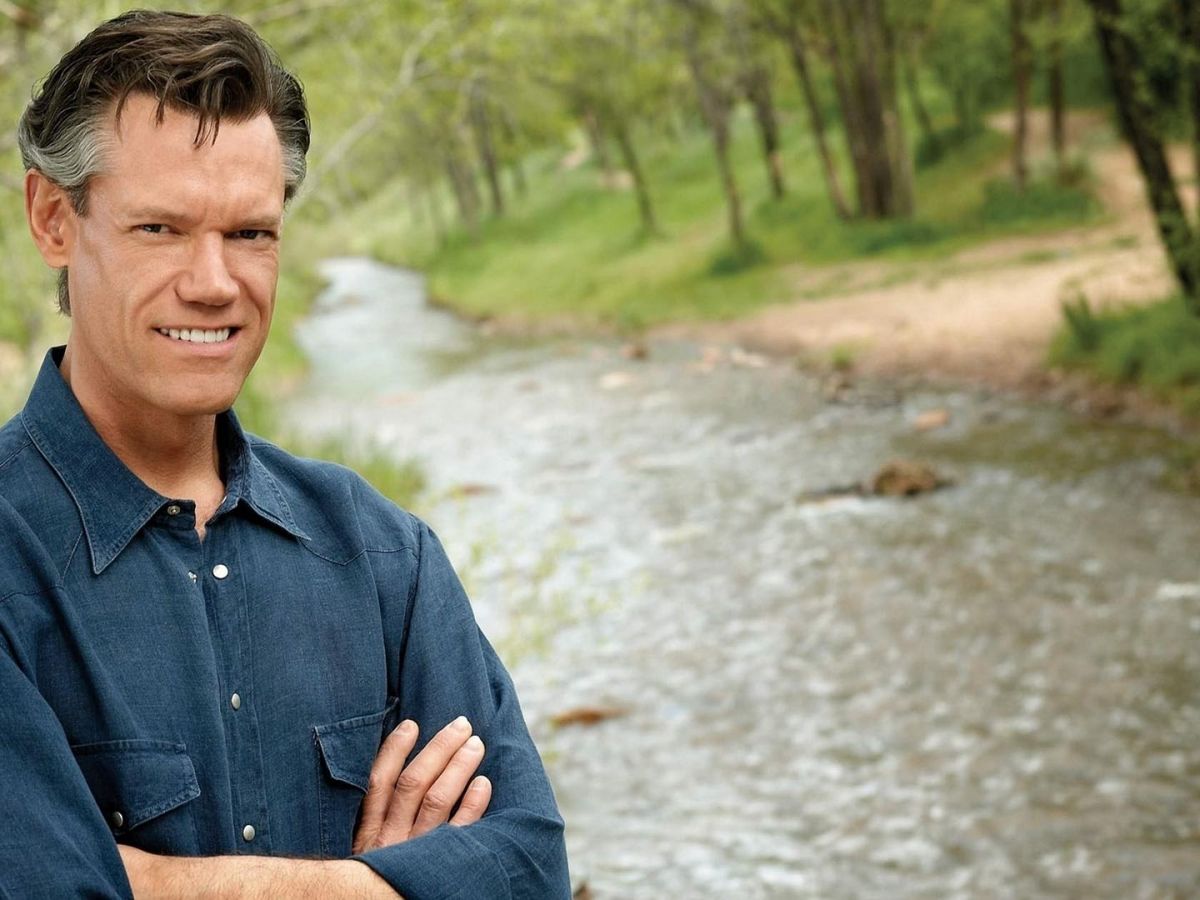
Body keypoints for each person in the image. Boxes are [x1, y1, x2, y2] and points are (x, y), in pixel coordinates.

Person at [0, 10, 569, 899]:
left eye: (250, 233)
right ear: (52, 218)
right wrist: (381, 883)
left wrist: (148, 880)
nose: (214, 283)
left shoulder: (383, 556)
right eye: (160, 229)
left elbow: (528, 868)